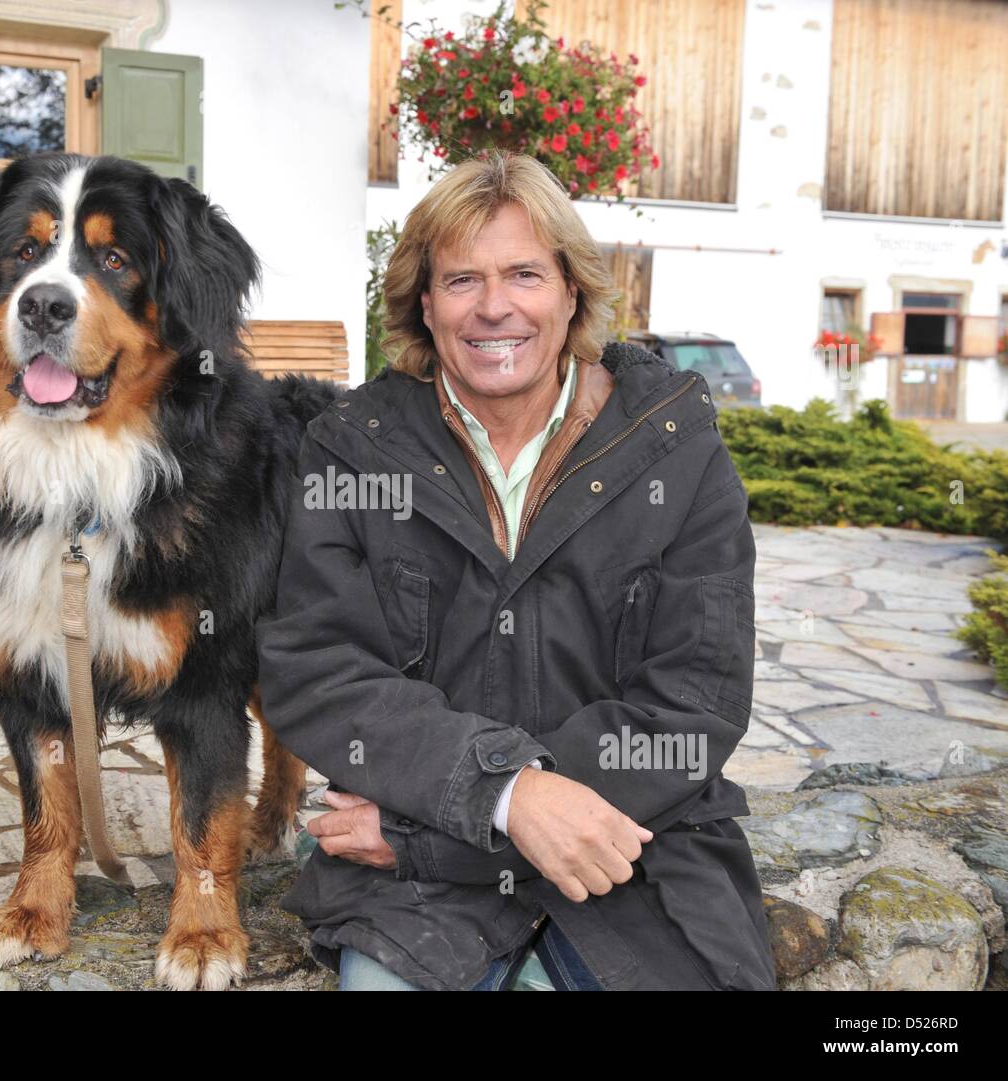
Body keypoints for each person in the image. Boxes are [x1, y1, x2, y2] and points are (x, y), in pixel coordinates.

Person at [254, 151, 777, 991]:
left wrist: (452, 826)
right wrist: (507, 797)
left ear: (572, 291)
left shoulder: (677, 449)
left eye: (525, 273)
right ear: (424, 304)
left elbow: (697, 701)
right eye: (462, 280)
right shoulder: (352, 447)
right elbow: (319, 672)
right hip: (415, 898)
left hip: (637, 856)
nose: (494, 307)